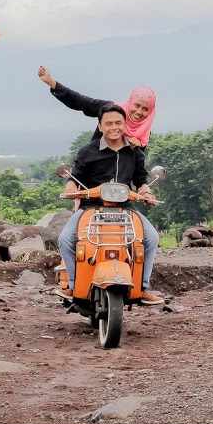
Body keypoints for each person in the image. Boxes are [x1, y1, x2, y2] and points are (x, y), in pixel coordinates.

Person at [56, 104, 164, 305]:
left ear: (125, 125)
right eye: (108, 123)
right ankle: (73, 284)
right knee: (65, 239)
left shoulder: (134, 152)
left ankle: (142, 287)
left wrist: (146, 192)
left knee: (151, 237)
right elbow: (76, 175)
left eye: (118, 123)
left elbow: (141, 180)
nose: (114, 127)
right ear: (100, 126)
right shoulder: (88, 151)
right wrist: (70, 187)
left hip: (126, 208)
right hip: (90, 206)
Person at [38, 65, 156, 149]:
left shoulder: (144, 132)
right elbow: (81, 102)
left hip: (120, 179)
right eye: (136, 105)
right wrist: (51, 82)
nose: (139, 112)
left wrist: (139, 145)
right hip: (95, 168)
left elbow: (137, 167)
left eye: (145, 109)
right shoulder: (112, 110)